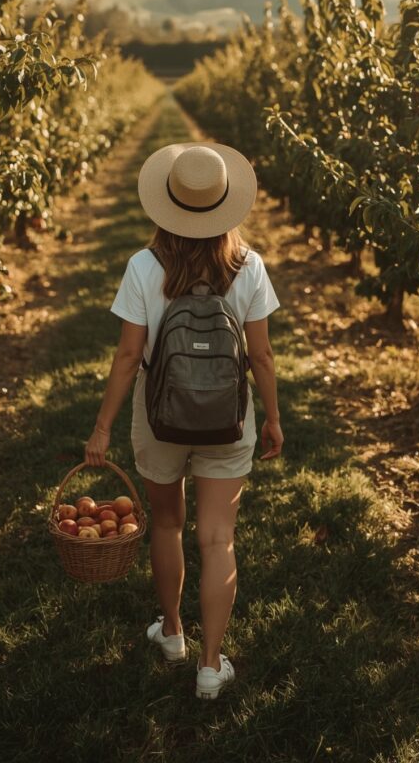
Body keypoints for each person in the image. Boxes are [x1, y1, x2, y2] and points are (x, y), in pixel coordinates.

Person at [84, 141, 283, 700]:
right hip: (228, 417)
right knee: (218, 538)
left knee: (167, 524)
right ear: (225, 203)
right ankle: (211, 665)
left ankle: (172, 632)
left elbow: (127, 358)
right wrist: (271, 417)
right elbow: (262, 356)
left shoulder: (145, 266)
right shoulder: (249, 267)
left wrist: (102, 427)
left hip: (158, 415)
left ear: (168, 203)